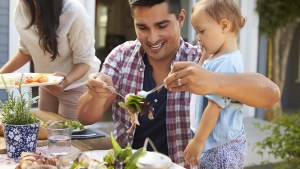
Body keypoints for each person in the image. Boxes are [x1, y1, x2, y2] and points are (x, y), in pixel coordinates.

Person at [77, 0, 280, 168]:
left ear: (181, 18)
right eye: (142, 27)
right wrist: (97, 94)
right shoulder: (122, 56)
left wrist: (214, 81)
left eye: (162, 25)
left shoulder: (203, 60)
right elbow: (85, 118)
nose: (152, 37)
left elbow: (271, 94)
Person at [0, 0, 101, 119]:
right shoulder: (23, 7)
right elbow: (26, 51)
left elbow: (85, 61)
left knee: (68, 134)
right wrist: (1, 74)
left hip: (75, 85)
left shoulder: (73, 11)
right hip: (47, 83)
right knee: (45, 131)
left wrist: (67, 81)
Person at [181, 0, 247, 168]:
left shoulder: (227, 64)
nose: (198, 38)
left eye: (201, 31)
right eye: (196, 32)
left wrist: (198, 141)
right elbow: (200, 71)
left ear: (224, 26)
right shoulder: (215, 56)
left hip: (221, 146)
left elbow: (214, 107)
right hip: (211, 139)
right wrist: (203, 55)